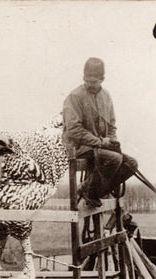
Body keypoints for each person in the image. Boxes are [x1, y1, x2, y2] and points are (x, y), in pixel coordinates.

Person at [62, 57, 138, 207]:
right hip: (78, 147)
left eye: (94, 81)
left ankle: (89, 189)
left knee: (132, 164)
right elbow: (73, 130)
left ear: (102, 79)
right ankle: (91, 192)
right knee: (114, 159)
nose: (90, 84)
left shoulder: (106, 96)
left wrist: (112, 141)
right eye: (87, 80)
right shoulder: (74, 97)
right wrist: (101, 142)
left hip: (100, 148)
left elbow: (111, 126)